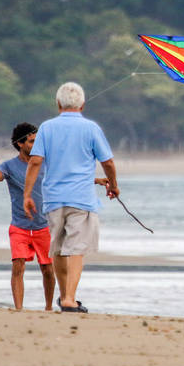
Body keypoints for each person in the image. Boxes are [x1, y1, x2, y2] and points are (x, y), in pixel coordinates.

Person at [23, 82, 118, 314]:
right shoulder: (91, 128)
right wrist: (113, 185)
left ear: (58, 104)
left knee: (57, 248)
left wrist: (27, 194)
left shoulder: (46, 127)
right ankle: (69, 298)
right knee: (76, 248)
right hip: (81, 199)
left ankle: (65, 296)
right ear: (83, 104)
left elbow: (35, 161)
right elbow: (107, 162)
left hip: (53, 198)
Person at [0, 123, 56, 311]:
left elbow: (68, 177)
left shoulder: (45, 162)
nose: (37, 144)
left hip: (44, 225)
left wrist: (95, 180)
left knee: (48, 269)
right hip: (19, 227)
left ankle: (48, 307)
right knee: (18, 266)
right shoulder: (9, 166)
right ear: (20, 144)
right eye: (32, 141)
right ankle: (19, 309)